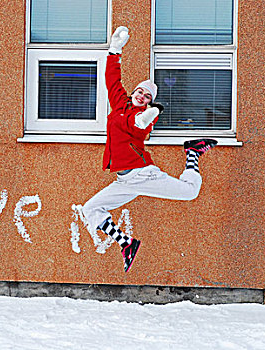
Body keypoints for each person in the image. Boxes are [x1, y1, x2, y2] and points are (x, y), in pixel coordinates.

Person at [81, 26, 217, 273]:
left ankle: (193, 154)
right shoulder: (120, 104)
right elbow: (112, 80)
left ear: (149, 103)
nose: (142, 96)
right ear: (133, 92)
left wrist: (143, 118)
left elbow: (139, 127)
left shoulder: (145, 117)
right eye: (140, 91)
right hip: (124, 180)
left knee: (190, 192)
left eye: (147, 96)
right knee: (90, 208)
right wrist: (114, 50)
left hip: (141, 174)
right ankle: (127, 243)